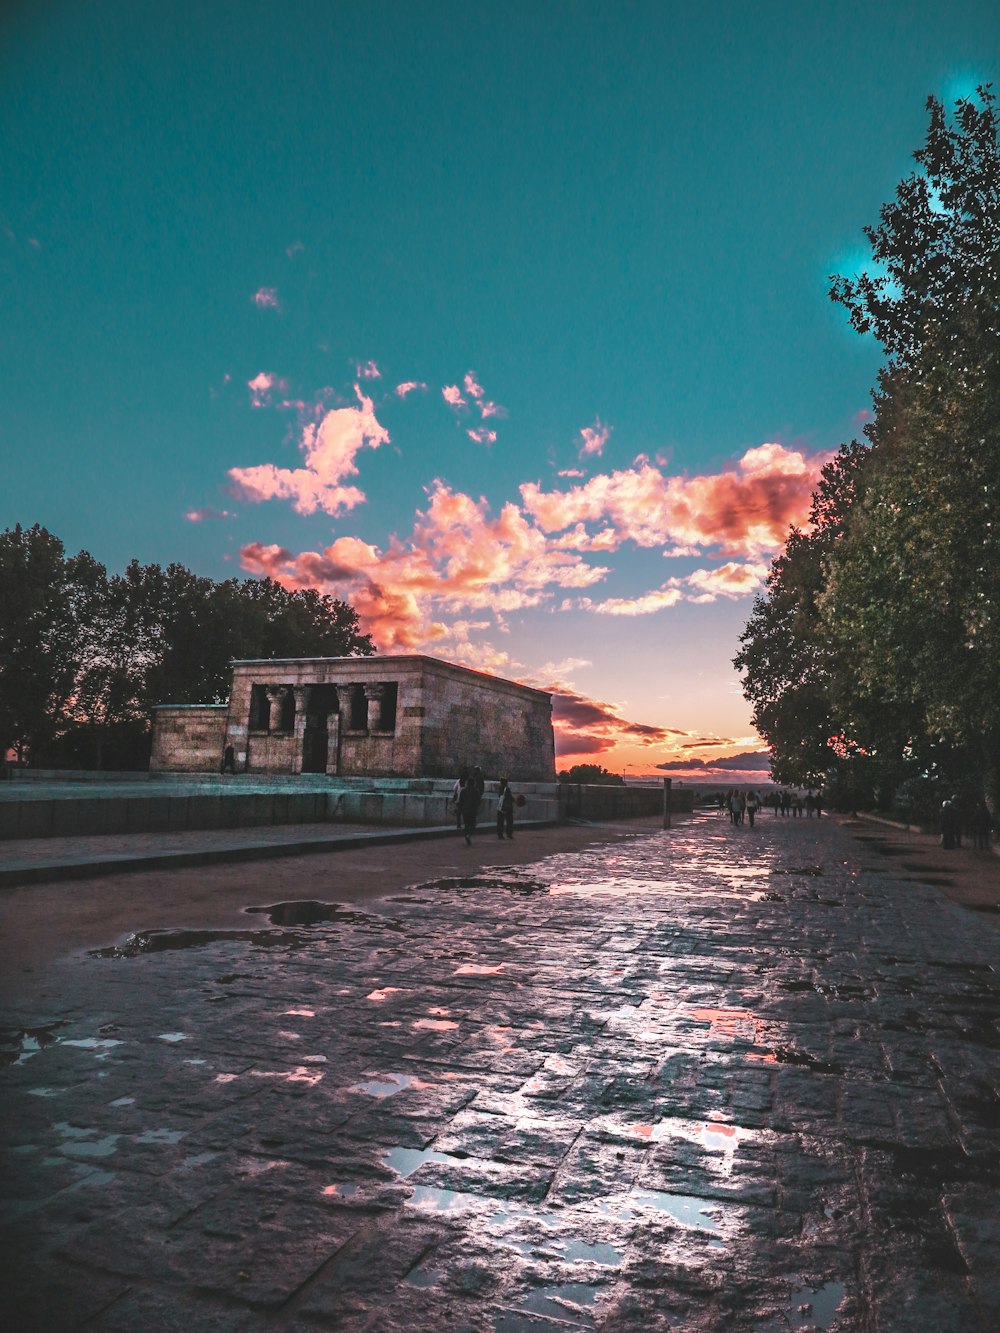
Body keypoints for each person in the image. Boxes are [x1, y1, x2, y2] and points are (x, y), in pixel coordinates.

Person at [459, 766, 485, 845]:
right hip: (472, 811)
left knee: (466, 825)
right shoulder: (475, 791)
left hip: (465, 810)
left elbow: (461, 801)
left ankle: (466, 835)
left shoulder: (463, 791)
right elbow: (478, 801)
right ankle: (468, 835)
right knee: (473, 825)